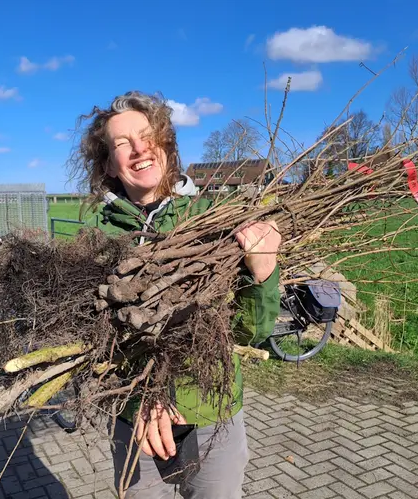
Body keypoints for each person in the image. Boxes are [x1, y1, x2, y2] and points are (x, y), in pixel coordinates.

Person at [69, 91, 282, 498]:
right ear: (108, 165)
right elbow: (91, 345)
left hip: (210, 409)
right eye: (121, 144)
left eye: (147, 136)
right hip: (137, 422)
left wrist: (263, 272)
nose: (138, 150)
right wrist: (144, 398)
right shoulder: (94, 242)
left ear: (166, 142)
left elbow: (248, 332)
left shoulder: (215, 223)